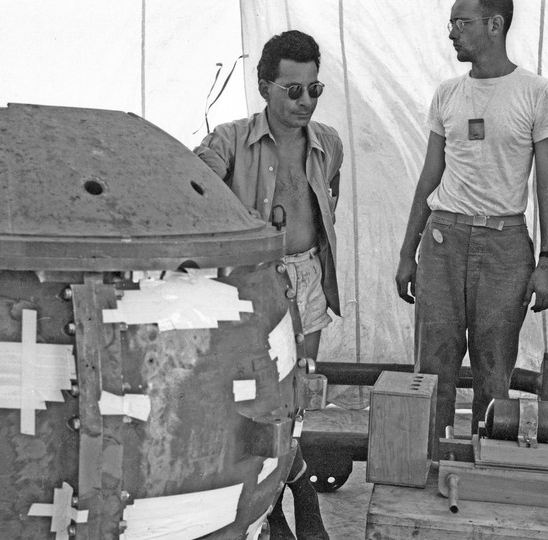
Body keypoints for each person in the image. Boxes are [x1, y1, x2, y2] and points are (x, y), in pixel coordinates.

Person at [394, 0, 548, 448]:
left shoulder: (536, 92)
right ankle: (430, 466)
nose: (451, 32)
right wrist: (406, 252)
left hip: (506, 247)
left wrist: (547, 261)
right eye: (450, 23)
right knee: (432, 369)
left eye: (461, 23)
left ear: (495, 24)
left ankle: (486, 468)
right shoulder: (447, 94)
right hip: (442, 238)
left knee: (494, 371)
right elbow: (430, 177)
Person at [194, 30, 341, 540]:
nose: (305, 101)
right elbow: (192, 195)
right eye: (293, 90)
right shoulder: (228, 141)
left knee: (299, 396)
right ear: (264, 87)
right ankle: (291, 488)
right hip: (255, 286)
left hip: (307, 278)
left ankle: (279, 495)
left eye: (314, 89)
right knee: (255, 402)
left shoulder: (330, 144)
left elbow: (325, 209)